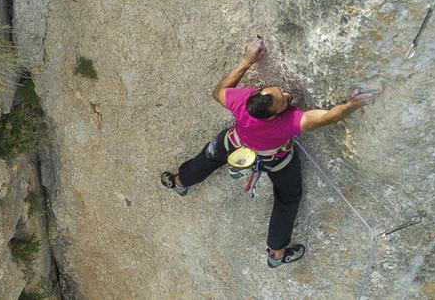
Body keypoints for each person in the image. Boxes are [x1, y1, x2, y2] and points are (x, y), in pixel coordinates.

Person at [160, 38, 377, 268]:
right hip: (276, 160)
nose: (285, 95)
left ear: (260, 90)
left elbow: (218, 92)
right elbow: (328, 117)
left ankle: (179, 182)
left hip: (234, 143)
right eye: (283, 101)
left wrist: (247, 61)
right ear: (274, 115)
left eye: (281, 94)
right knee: (288, 198)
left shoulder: (243, 101)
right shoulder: (288, 122)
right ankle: (276, 254)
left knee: (210, 156)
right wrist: (352, 105)